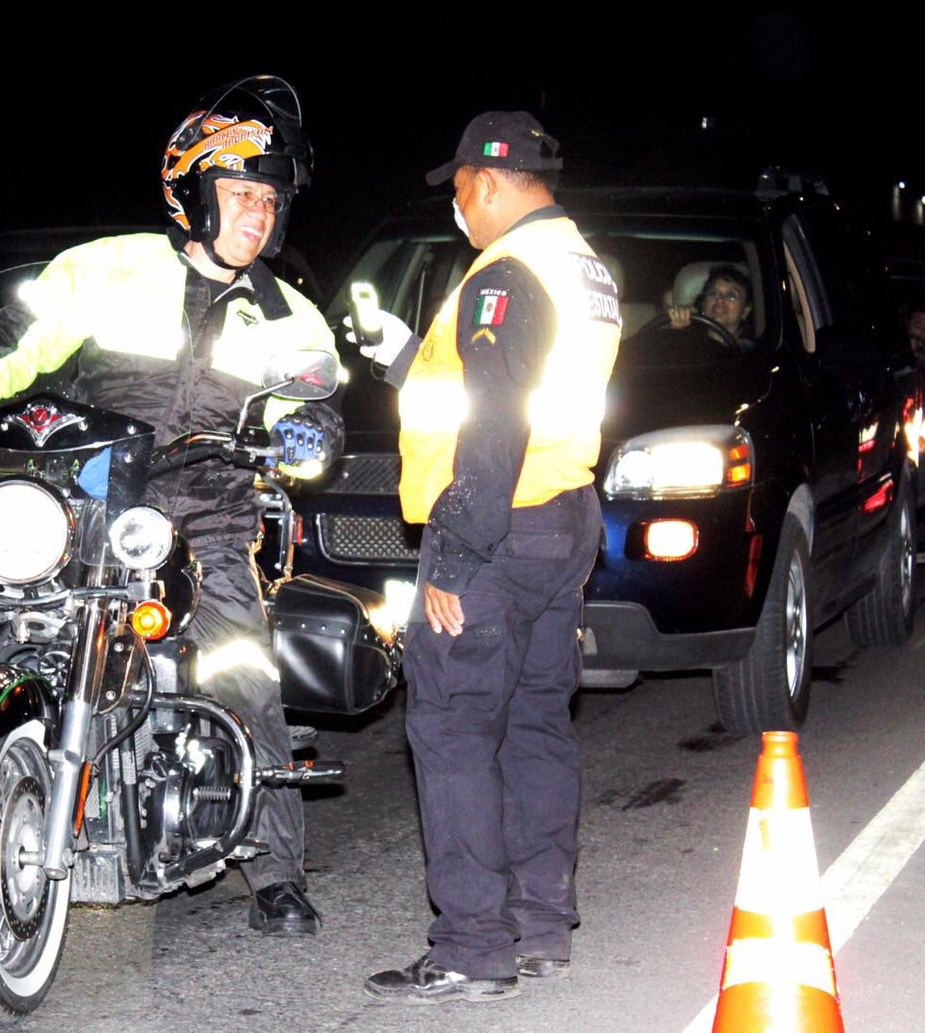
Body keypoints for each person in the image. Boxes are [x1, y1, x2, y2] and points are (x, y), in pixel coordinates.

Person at [0, 75, 342, 936]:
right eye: (239, 194)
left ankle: (275, 871)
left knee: (243, 671)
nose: (258, 216)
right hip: (82, 504)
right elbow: (12, 347)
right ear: (192, 192)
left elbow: (316, 406)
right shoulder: (102, 268)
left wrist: (308, 435)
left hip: (207, 518)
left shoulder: (291, 316)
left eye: (269, 201)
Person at [355, 111, 621, 1004]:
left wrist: (457, 555)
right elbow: (512, 388)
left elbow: (498, 418)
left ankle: (472, 946)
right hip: (562, 512)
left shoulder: (504, 273)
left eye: (462, 189)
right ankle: (541, 926)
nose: (457, 208)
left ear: (494, 180)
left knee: (455, 727)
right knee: (539, 719)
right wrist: (403, 357)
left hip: (497, 524)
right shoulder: (584, 267)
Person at [668, 263, 754, 344]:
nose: (720, 300)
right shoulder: (690, 343)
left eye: (731, 296)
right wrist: (677, 333)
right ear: (703, 304)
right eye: (714, 293)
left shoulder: (751, 352)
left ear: (745, 311)